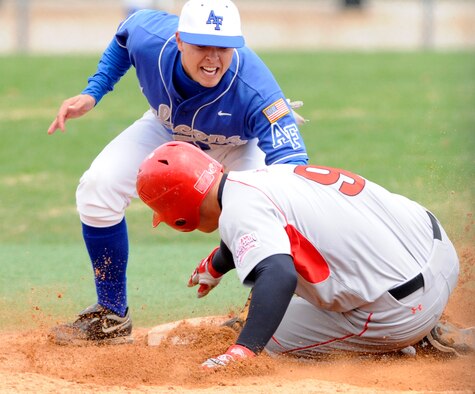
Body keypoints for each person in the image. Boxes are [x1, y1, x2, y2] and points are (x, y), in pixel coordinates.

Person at [47, 0, 309, 345]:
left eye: (224, 47)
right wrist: (93, 92)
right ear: (180, 39)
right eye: (202, 45)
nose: (213, 58)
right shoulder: (150, 37)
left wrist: (265, 207)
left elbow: (294, 170)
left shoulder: (256, 91)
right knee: (98, 186)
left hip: (239, 145)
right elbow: (125, 38)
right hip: (168, 127)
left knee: (263, 210)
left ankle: (259, 318)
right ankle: (111, 314)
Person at [136, 141, 474, 368]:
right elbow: (259, 229)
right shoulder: (257, 177)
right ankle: (424, 322)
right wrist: (218, 263)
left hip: (403, 310)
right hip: (437, 251)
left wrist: (244, 351)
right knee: (292, 275)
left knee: (265, 329)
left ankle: (406, 340)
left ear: (179, 216)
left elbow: (280, 275)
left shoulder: (239, 212)